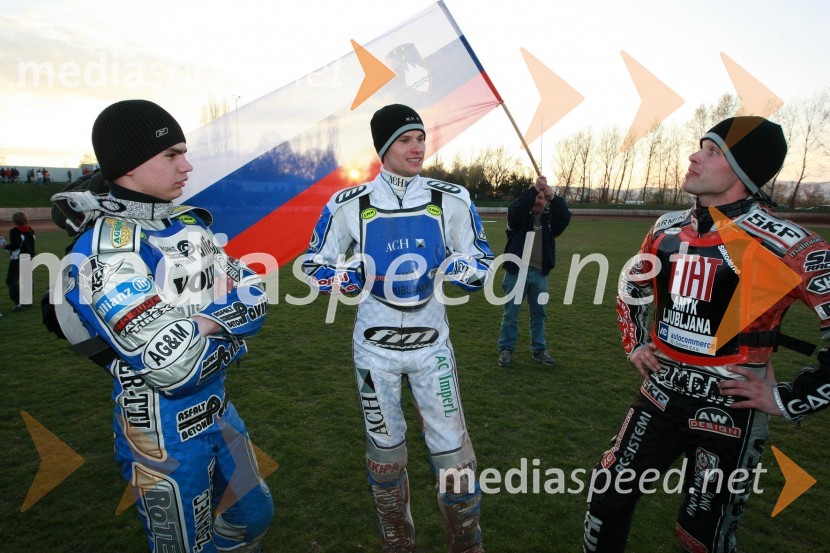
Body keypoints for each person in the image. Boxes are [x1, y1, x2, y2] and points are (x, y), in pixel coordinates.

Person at [582, 116, 830, 553]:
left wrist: (789, 399)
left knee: (700, 536)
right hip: (659, 393)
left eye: (713, 150)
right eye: (700, 146)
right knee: (606, 497)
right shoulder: (666, 228)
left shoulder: (790, 246)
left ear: (743, 170)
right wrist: (635, 342)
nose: (695, 155)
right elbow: (631, 285)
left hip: (730, 408)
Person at [50, 99, 273, 552]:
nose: (187, 165)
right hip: (159, 432)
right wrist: (227, 325)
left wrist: (201, 325)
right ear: (129, 165)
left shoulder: (188, 225)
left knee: (253, 516)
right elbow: (175, 368)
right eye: (172, 154)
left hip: (219, 409)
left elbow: (256, 294)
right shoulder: (105, 250)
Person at [302, 104, 493, 553]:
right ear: (384, 147)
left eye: (421, 137)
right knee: (385, 451)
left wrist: (454, 268)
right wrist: (345, 278)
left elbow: (481, 262)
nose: (418, 147)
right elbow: (313, 263)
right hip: (374, 350)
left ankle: (466, 542)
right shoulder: (348, 203)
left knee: (452, 450)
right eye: (406, 139)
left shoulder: (453, 198)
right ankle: (397, 540)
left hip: (432, 348)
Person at [497, 176, 570, 367]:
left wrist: (554, 198)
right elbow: (516, 209)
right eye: (535, 198)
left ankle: (539, 350)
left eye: (541, 198)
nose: (538, 201)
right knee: (510, 315)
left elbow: (565, 217)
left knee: (539, 315)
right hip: (516, 273)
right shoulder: (519, 219)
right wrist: (533, 189)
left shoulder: (549, 222)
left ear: (545, 201)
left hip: (539, 274)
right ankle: (506, 349)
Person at [4, 211, 36, 312]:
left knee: (11, 280)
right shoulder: (30, 229)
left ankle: (19, 301)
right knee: (26, 279)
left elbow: (16, 245)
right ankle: (27, 301)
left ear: (15, 221)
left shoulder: (14, 231)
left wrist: (4, 246)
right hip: (29, 257)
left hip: (18, 258)